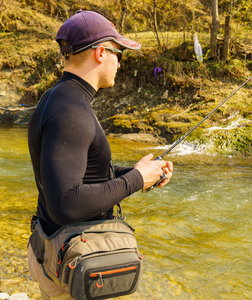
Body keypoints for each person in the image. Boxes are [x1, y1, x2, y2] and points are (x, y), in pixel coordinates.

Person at [27, 10, 173, 300]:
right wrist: (133, 181)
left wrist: (139, 174)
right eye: (119, 53)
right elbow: (66, 204)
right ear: (100, 53)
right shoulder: (71, 112)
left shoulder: (59, 98)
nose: (120, 62)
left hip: (55, 252)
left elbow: (81, 171)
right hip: (70, 269)